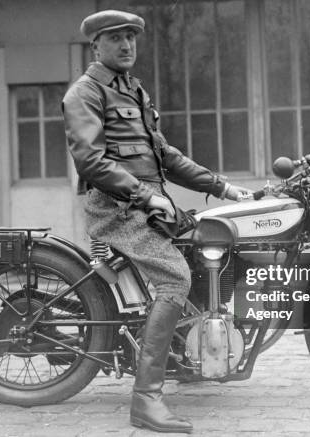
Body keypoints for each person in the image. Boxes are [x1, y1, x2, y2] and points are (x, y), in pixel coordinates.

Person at [62, 10, 250, 434]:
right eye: (115, 38)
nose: (127, 44)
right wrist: (146, 196)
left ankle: (189, 353)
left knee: (211, 251)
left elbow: (165, 156)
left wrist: (223, 188)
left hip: (147, 203)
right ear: (96, 45)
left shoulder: (133, 92)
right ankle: (146, 399)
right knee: (174, 279)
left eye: (131, 37)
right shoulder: (85, 93)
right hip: (116, 206)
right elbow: (90, 160)